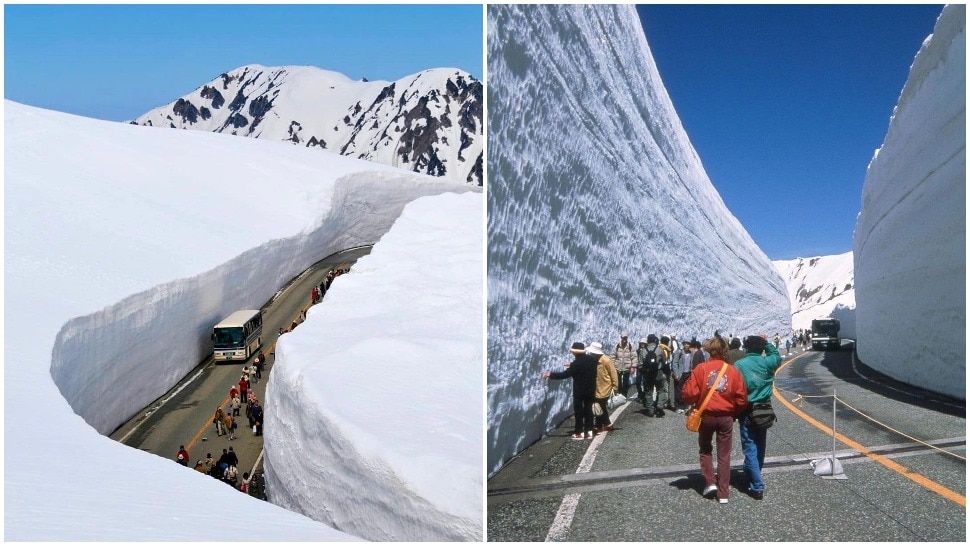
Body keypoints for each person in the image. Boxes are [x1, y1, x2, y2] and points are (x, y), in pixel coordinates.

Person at [681, 336, 748, 504]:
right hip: (726, 417)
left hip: (706, 416)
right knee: (724, 454)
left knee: (705, 449)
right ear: (725, 350)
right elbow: (741, 398)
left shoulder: (701, 369)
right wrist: (734, 413)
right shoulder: (733, 370)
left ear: (709, 350)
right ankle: (723, 493)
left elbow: (689, 394)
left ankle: (710, 482)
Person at [735, 334, 781, 500]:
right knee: (760, 444)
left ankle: (757, 485)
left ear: (746, 348)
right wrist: (766, 343)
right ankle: (754, 474)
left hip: (747, 410)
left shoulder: (739, 365)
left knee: (749, 446)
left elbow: (736, 390)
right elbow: (776, 356)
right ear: (761, 349)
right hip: (765, 409)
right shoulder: (767, 362)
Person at [543, 342, 598, 440]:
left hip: (579, 391)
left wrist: (550, 374)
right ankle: (589, 432)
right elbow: (583, 367)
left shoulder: (576, 364)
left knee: (579, 412)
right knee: (588, 411)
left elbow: (565, 374)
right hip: (591, 389)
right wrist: (572, 365)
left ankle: (579, 433)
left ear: (576, 352)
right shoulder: (592, 360)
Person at [589, 342, 619, 433]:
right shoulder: (594, 360)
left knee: (600, 406)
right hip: (597, 388)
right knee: (599, 406)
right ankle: (601, 425)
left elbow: (613, 374)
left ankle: (606, 424)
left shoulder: (606, 360)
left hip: (605, 388)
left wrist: (615, 387)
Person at [639, 334, 668, 416]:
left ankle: (650, 410)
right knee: (661, 390)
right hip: (658, 372)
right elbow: (664, 361)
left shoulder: (643, 350)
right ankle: (659, 405)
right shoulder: (660, 349)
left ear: (648, 341)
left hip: (648, 373)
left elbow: (640, 364)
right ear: (655, 340)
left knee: (648, 392)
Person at [612, 334, 637, 398]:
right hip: (617, 367)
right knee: (618, 382)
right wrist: (612, 366)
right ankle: (620, 394)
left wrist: (633, 367)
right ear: (621, 338)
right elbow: (612, 356)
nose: (625, 340)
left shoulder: (630, 346)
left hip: (627, 368)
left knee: (626, 383)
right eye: (623, 338)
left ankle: (624, 394)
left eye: (626, 338)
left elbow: (634, 357)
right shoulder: (617, 346)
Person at [660, 336, 675, 411]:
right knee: (665, 388)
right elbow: (666, 362)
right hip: (665, 371)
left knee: (661, 387)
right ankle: (663, 403)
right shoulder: (666, 350)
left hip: (660, 371)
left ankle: (661, 402)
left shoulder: (659, 348)